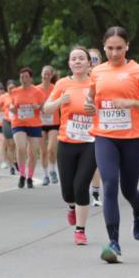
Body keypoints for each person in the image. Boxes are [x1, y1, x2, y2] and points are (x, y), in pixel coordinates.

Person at [84, 27, 139, 264]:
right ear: (104, 47)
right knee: (109, 183)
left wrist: (131, 102)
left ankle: (138, 209)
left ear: (127, 47)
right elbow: (91, 98)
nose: (114, 53)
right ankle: (114, 242)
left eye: (119, 48)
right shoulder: (97, 72)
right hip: (105, 135)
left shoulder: (138, 70)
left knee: (128, 189)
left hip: (132, 137)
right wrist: (89, 106)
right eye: (110, 48)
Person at [43, 46, 96, 246]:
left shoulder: (95, 82)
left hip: (90, 142)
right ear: (69, 63)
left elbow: (107, 106)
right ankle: (72, 207)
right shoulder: (63, 84)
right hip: (66, 141)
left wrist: (95, 108)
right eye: (73, 59)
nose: (77, 62)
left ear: (89, 62)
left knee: (81, 185)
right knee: (68, 191)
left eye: (81, 58)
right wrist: (59, 101)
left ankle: (80, 230)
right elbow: (46, 108)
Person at [9, 67, 46, 189]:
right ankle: (22, 174)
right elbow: (11, 106)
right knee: (21, 148)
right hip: (18, 123)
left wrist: (38, 107)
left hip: (34, 124)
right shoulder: (14, 91)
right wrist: (12, 109)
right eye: (21, 77)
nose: (24, 79)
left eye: (26, 77)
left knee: (32, 153)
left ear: (30, 78)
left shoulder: (37, 91)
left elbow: (43, 108)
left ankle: (30, 177)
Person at [87, 48, 104, 207]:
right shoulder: (77, 79)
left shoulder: (104, 78)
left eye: (95, 59)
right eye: (89, 60)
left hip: (98, 124)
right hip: (79, 126)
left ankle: (96, 192)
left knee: (96, 161)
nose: (92, 63)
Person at [39, 65, 60, 186]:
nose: (46, 76)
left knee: (51, 149)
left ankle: (53, 170)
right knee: (43, 151)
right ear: (41, 74)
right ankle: (46, 174)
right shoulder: (36, 89)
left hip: (54, 122)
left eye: (48, 74)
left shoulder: (55, 88)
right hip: (40, 123)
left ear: (51, 75)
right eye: (44, 73)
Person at [0, 80, 17, 174]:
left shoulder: (19, 95)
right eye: (10, 88)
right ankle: (11, 167)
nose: (12, 90)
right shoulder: (3, 97)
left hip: (17, 122)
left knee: (16, 144)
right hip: (7, 122)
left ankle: (16, 161)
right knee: (10, 145)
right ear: (7, 88)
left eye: (13, 87)